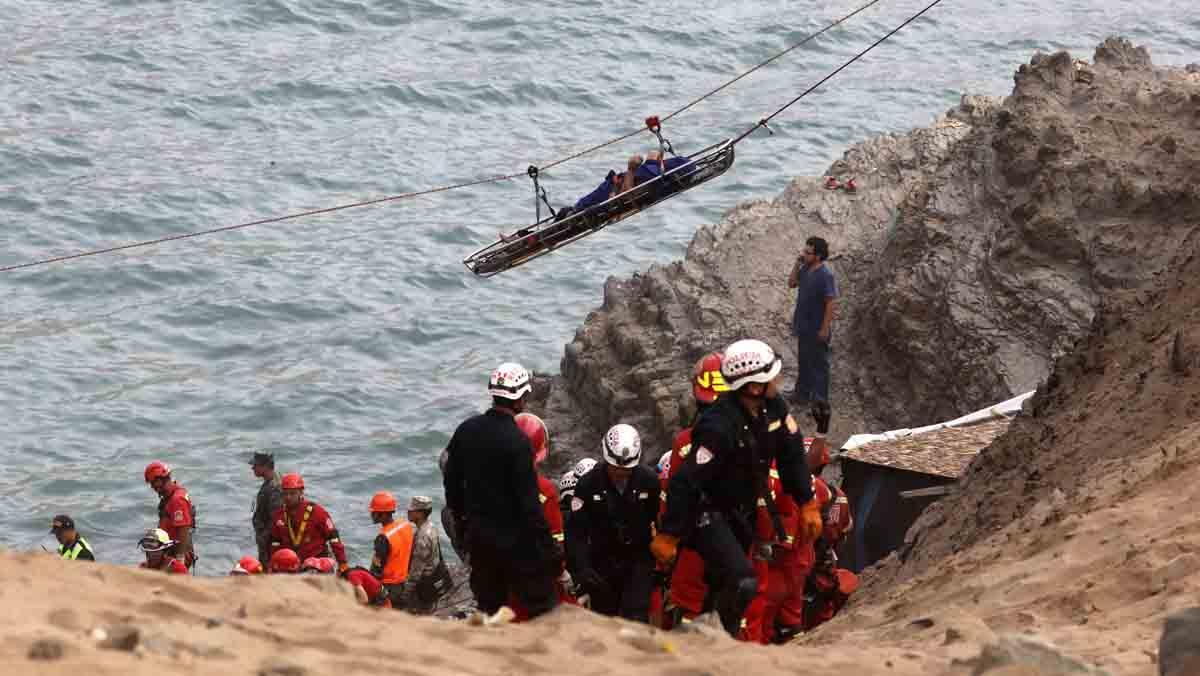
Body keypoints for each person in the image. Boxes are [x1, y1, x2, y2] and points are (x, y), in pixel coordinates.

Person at [654, 339, 820, 638]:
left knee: (721, 583)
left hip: (741, 513)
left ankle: (707, 637)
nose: (778, 381)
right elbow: (686, 481)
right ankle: (717, 639)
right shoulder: (718, 426)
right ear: (753, 387)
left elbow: (791, 454)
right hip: (707, 514)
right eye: (772, 376)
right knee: (743, 581)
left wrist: (807, 502)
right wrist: (669, 535)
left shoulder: (774, 410)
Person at [442, 361, 561, 619]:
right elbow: (530, 508)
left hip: (480, 542)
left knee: (489, 611)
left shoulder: (466, 430)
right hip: (517, 546)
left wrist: (463, 525)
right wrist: (550, 552)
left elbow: (451, 484)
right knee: (544, 611)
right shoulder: (519, 444)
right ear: (520, 400)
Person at [566, 424, 660, 623]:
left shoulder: (649, 481)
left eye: (626, 469)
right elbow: (576, 533)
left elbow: (658, 521)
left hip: (638, 561)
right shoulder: (587, 485)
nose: (620, 472)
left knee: (636, 618)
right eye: (615, 467)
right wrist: (582, 569)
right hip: (601, 565)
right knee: (604, 622)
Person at [660, 352, 727, 627]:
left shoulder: (685, 443)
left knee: (688, 614)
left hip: (694, 546)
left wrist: (668, 541)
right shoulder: (756, 438)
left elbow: (672, 499)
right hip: (738, 544)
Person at [512, 413, 575, 617]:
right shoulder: (544, 491)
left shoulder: (491, 483)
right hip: (536, 576)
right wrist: (561, 572)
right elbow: (554, 540)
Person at [787, 237, 837, 442]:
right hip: (803, 325)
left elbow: (830, 303)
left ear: (818, 255)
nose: (804, 254)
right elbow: (791, 283)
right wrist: (797, 263)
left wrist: (825, 328)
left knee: (819, 365)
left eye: (808, 252)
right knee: (804, 361)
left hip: (817, 328)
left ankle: (819, 403)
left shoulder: (826, 275)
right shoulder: (805, 269)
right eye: (804, 251)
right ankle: (801, 395)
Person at [269, 473, 349, 573]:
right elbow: (275, 543)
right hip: (292, 567)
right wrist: (272, 565)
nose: (288, 497)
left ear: (301, 492)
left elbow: (334, 538)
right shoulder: (279, 515)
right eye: (285, 493)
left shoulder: (317, 512)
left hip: (317, 564)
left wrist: (342, 563)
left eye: (292, 493)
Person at [144, 461, 196, 570]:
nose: (153, 487)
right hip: (169, 550)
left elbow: (183, 528)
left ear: (160, 480)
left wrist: (180, 558)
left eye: (153, 483)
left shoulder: (177, 500)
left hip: (177, 552)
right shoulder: (170, 496)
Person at [404, 495, 451, 614]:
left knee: (420, 612)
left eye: (411, 510)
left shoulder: (422, 538)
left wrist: (406, 590)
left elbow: (416, 570)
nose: (408, 512)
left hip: (425, 583)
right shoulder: (431, 526)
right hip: (435, 574)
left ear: (420, 513)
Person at [367, 491, 414, 609]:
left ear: (383, 515)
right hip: (404, 580)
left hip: (389, 586)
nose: (372, 515)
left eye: (374, 513)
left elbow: (377, 569)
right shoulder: (405, 525)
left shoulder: (383, 538)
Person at [250, 451, 282, 566]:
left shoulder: (275, 487)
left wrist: (264, 539)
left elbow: (276, 519)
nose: (253, 468)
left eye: (255, 465)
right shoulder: (270, 483)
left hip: (269, 542)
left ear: (265, 466)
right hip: (266, 540)